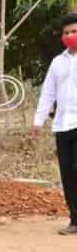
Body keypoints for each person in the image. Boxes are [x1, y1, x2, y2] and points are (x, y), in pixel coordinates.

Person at [33, 12, 77, 234]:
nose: (70, 35)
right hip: (62, 125)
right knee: (67, 173)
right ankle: (75, 219)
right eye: (67, 32)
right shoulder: (58, 63)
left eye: (74, 31)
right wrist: (38, 121)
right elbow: (48, 93)